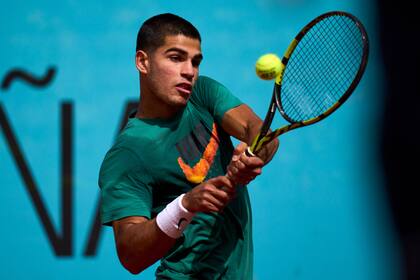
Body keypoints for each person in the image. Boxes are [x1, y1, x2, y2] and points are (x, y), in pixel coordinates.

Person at [98, 13, 278, 279]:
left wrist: (254, 155)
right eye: (175, 57)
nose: (189, 71)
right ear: (142, 62)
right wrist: (185, 205)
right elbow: (130, 255)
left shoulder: (203, 94)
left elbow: (259, 131)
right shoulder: (128, 153)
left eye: (195, 61)